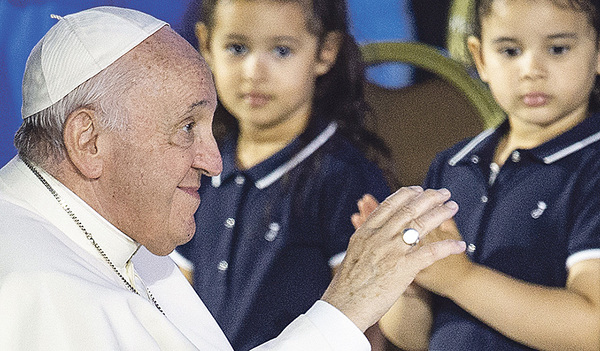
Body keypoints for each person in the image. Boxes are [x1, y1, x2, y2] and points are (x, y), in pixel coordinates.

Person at [0, 6, 467, 350]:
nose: (213, 162)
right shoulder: (37, 289)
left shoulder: (106, 222)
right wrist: (344, 309)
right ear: (89, 139)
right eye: (186, 128)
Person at [354, 0, 600, 349]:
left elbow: (591, 329)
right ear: (480, 57)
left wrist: (459, 278)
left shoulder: (591, 165)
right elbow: (412, 337)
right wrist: (407, 274)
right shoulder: (453, 165)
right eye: (510, 50)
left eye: (558, 48)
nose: (532, 69)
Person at [174, 0, 394, 349]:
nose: (253, 71)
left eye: (281, 50)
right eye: (237, 47)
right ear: (206, 45)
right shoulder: (198, 165)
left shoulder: (343, 176)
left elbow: (368, 326)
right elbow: (173, 299)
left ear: (325, 52)